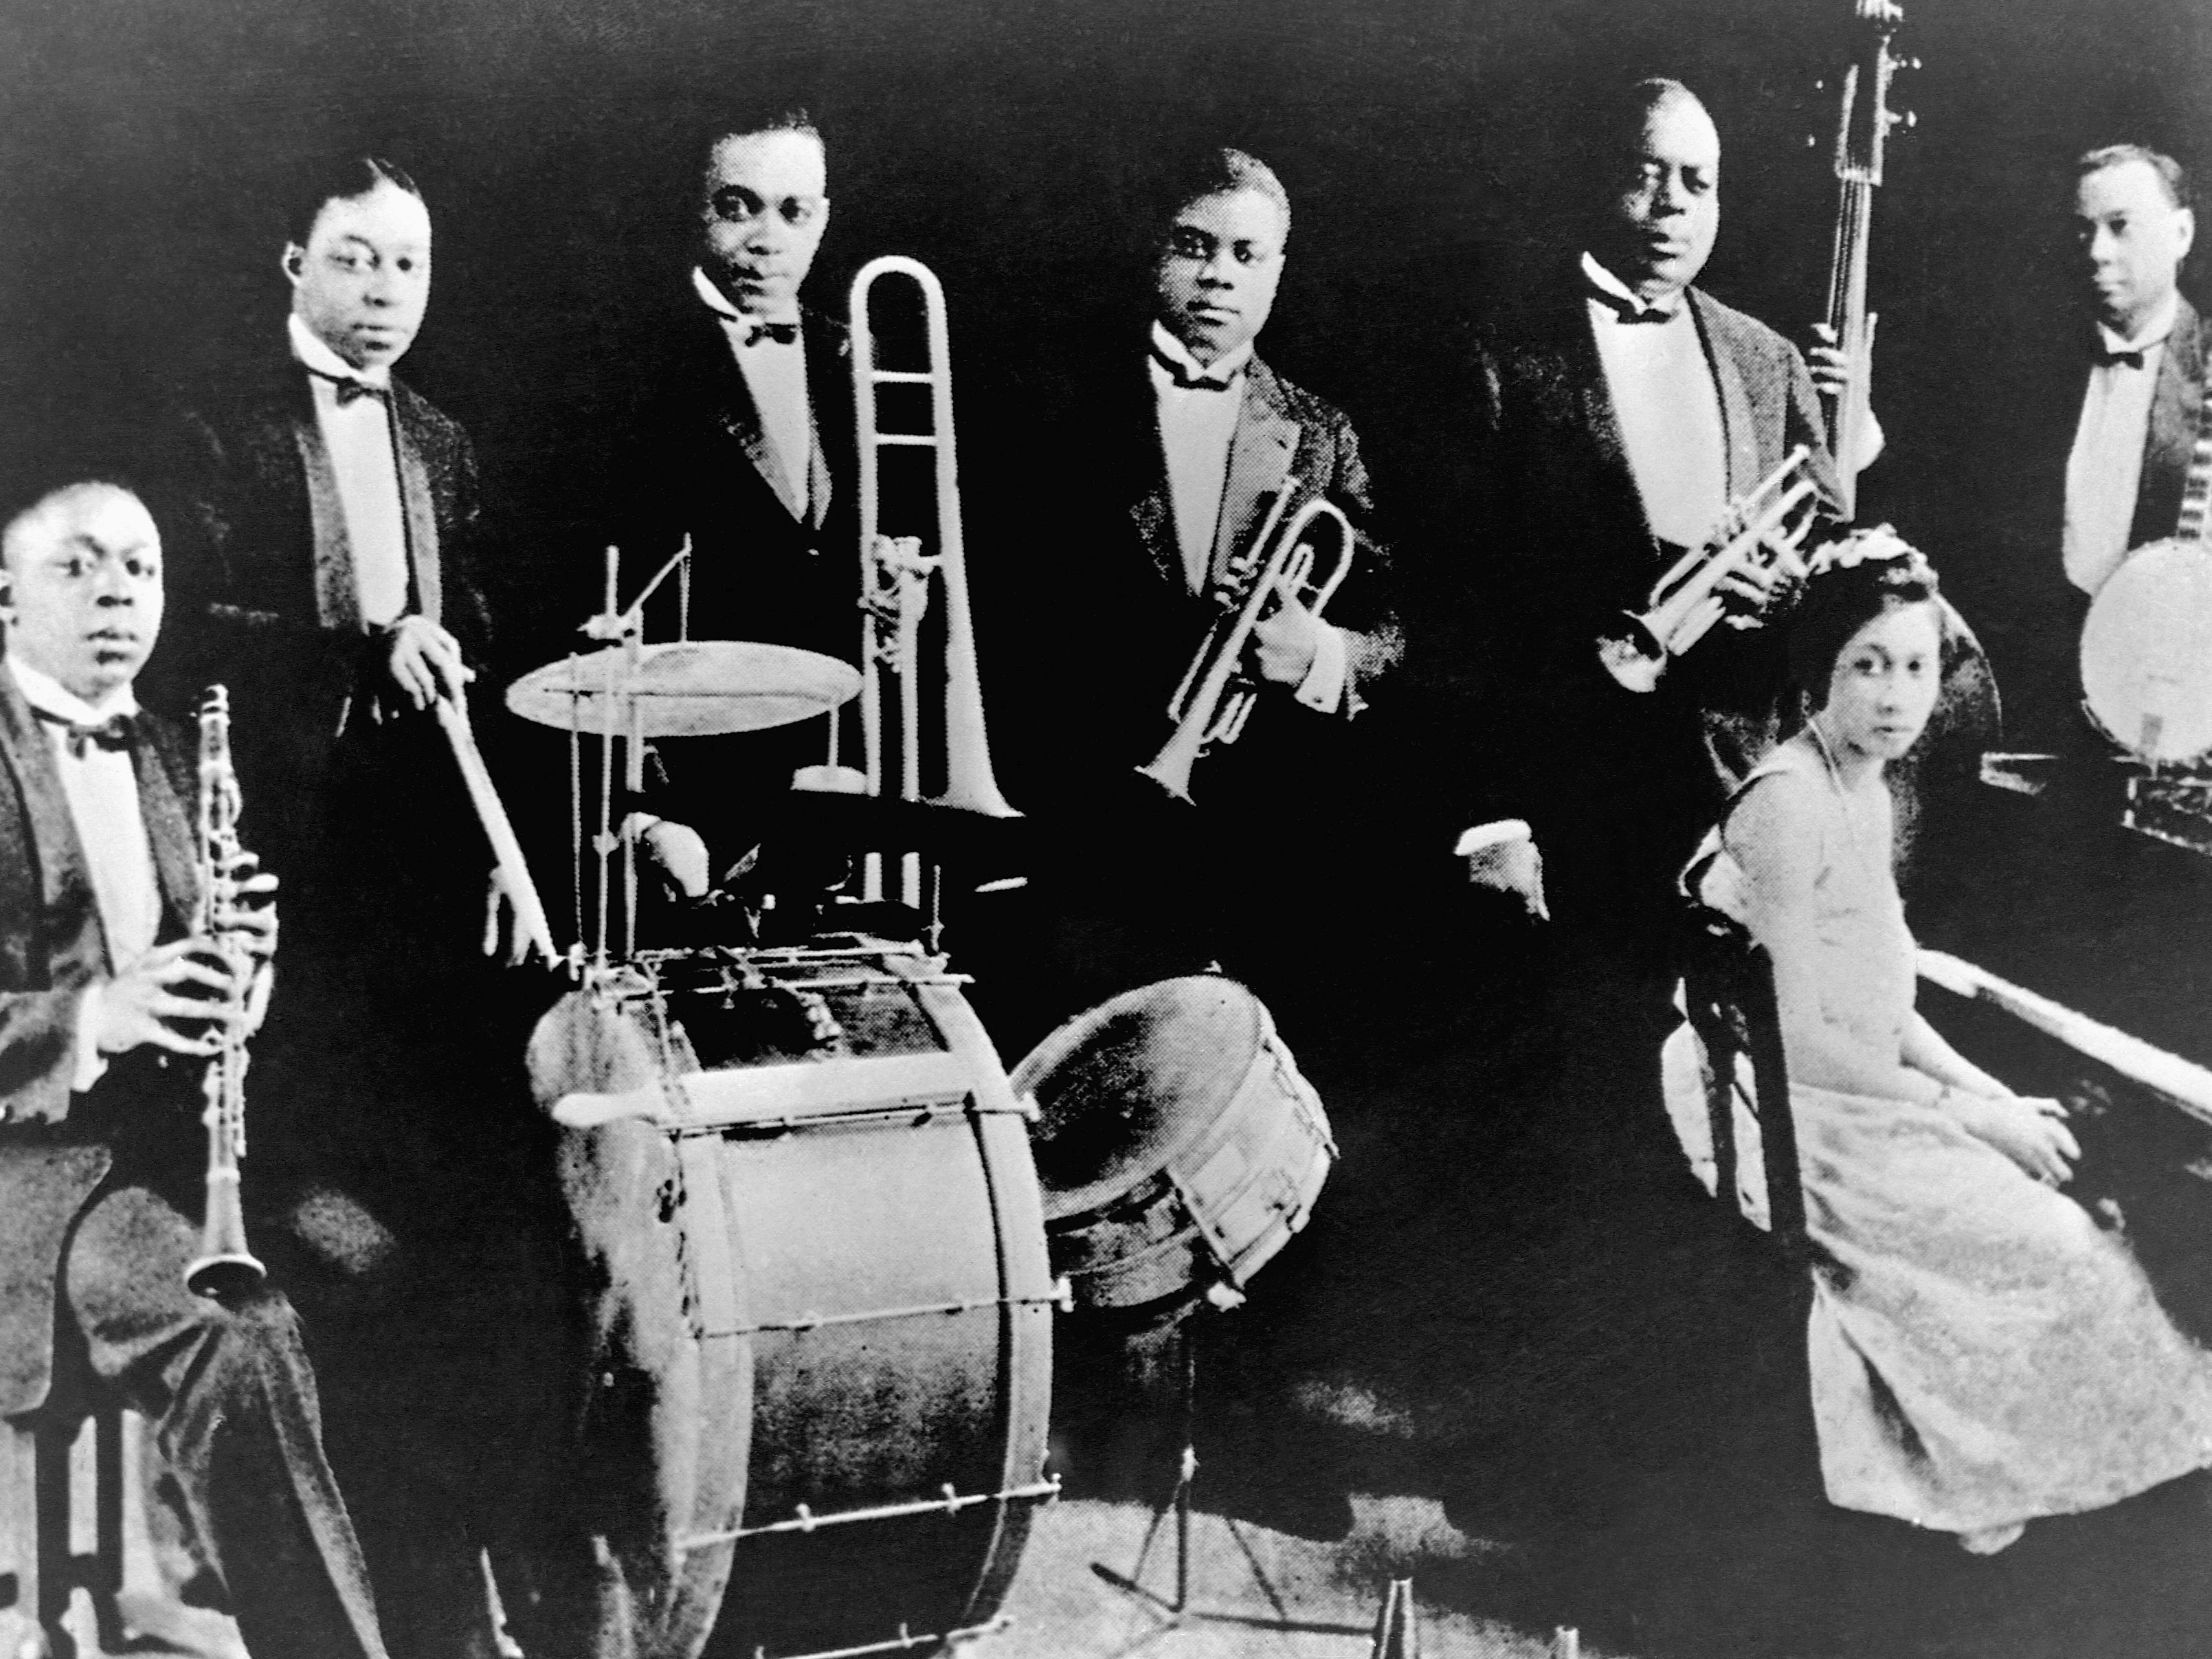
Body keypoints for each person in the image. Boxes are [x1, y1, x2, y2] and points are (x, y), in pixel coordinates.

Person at [156, 155, 568, 1659]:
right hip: (276, 890)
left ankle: (474, 1580)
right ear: (294, 264)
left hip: (418, 890)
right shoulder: (215, 430)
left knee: (476, 1235)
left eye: (409, 267)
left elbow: (482, 635)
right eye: (357, 262)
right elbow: (186, 640)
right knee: (345, 1242)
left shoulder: (446, 444)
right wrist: (359, 653)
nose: (385, 294)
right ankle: (352, 1578)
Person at [1660, 533, 2212, 1554]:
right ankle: (2004, 1497)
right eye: (1864, 664)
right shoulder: (1786, 800)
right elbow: (1800, 1036)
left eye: (1912, 666)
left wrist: (1985, 1092)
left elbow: (1880, 988)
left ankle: (2065, 1480)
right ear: (1818, 669)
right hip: (1785, 1105)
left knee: (2074, 1187)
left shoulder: (1866, 784)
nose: (1892, 694)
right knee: (2065, 1247)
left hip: (1846, 1075)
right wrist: (1971, 1119)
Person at [0, 471, 390, 1659]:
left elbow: (207, 992)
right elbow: (107, 1006)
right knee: (242, 1326)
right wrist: (95, 1016)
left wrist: (242, 976)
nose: (117, 592)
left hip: (177, 1144)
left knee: (395, 1275)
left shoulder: (171, 747)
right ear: (4, 594)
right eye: (78, 565)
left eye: (141, 567)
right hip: (33, 1167)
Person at [1431, 78, 1871, 962]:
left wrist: (1786, 591)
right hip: (1564, 790)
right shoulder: (1498, 353)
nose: (1671, 203)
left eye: (1697, 182)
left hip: (1731, 795)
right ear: (1600, 180)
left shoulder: (1767, 359)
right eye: (1646, 174)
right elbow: (1455, 600)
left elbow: (1832, 572)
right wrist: (1495, 817)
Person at [985, 146, 1411, 1024]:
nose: (1219, 274)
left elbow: (1393, 627)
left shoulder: (1321, 430)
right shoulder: (1046, 401)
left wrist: (1316, 655)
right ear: (1155, 253)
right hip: (1077, 825)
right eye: (1194, 245)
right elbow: (994, 615)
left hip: (1259, 833)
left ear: (1278, 273)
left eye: (1246, 255)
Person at [1960, 145, 2204, 753]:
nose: (2096, 252)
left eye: (2119, 226)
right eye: (2082, 231)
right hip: (2031, 707)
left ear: (2180, 233)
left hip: (2172, 718)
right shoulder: (2026, 369)